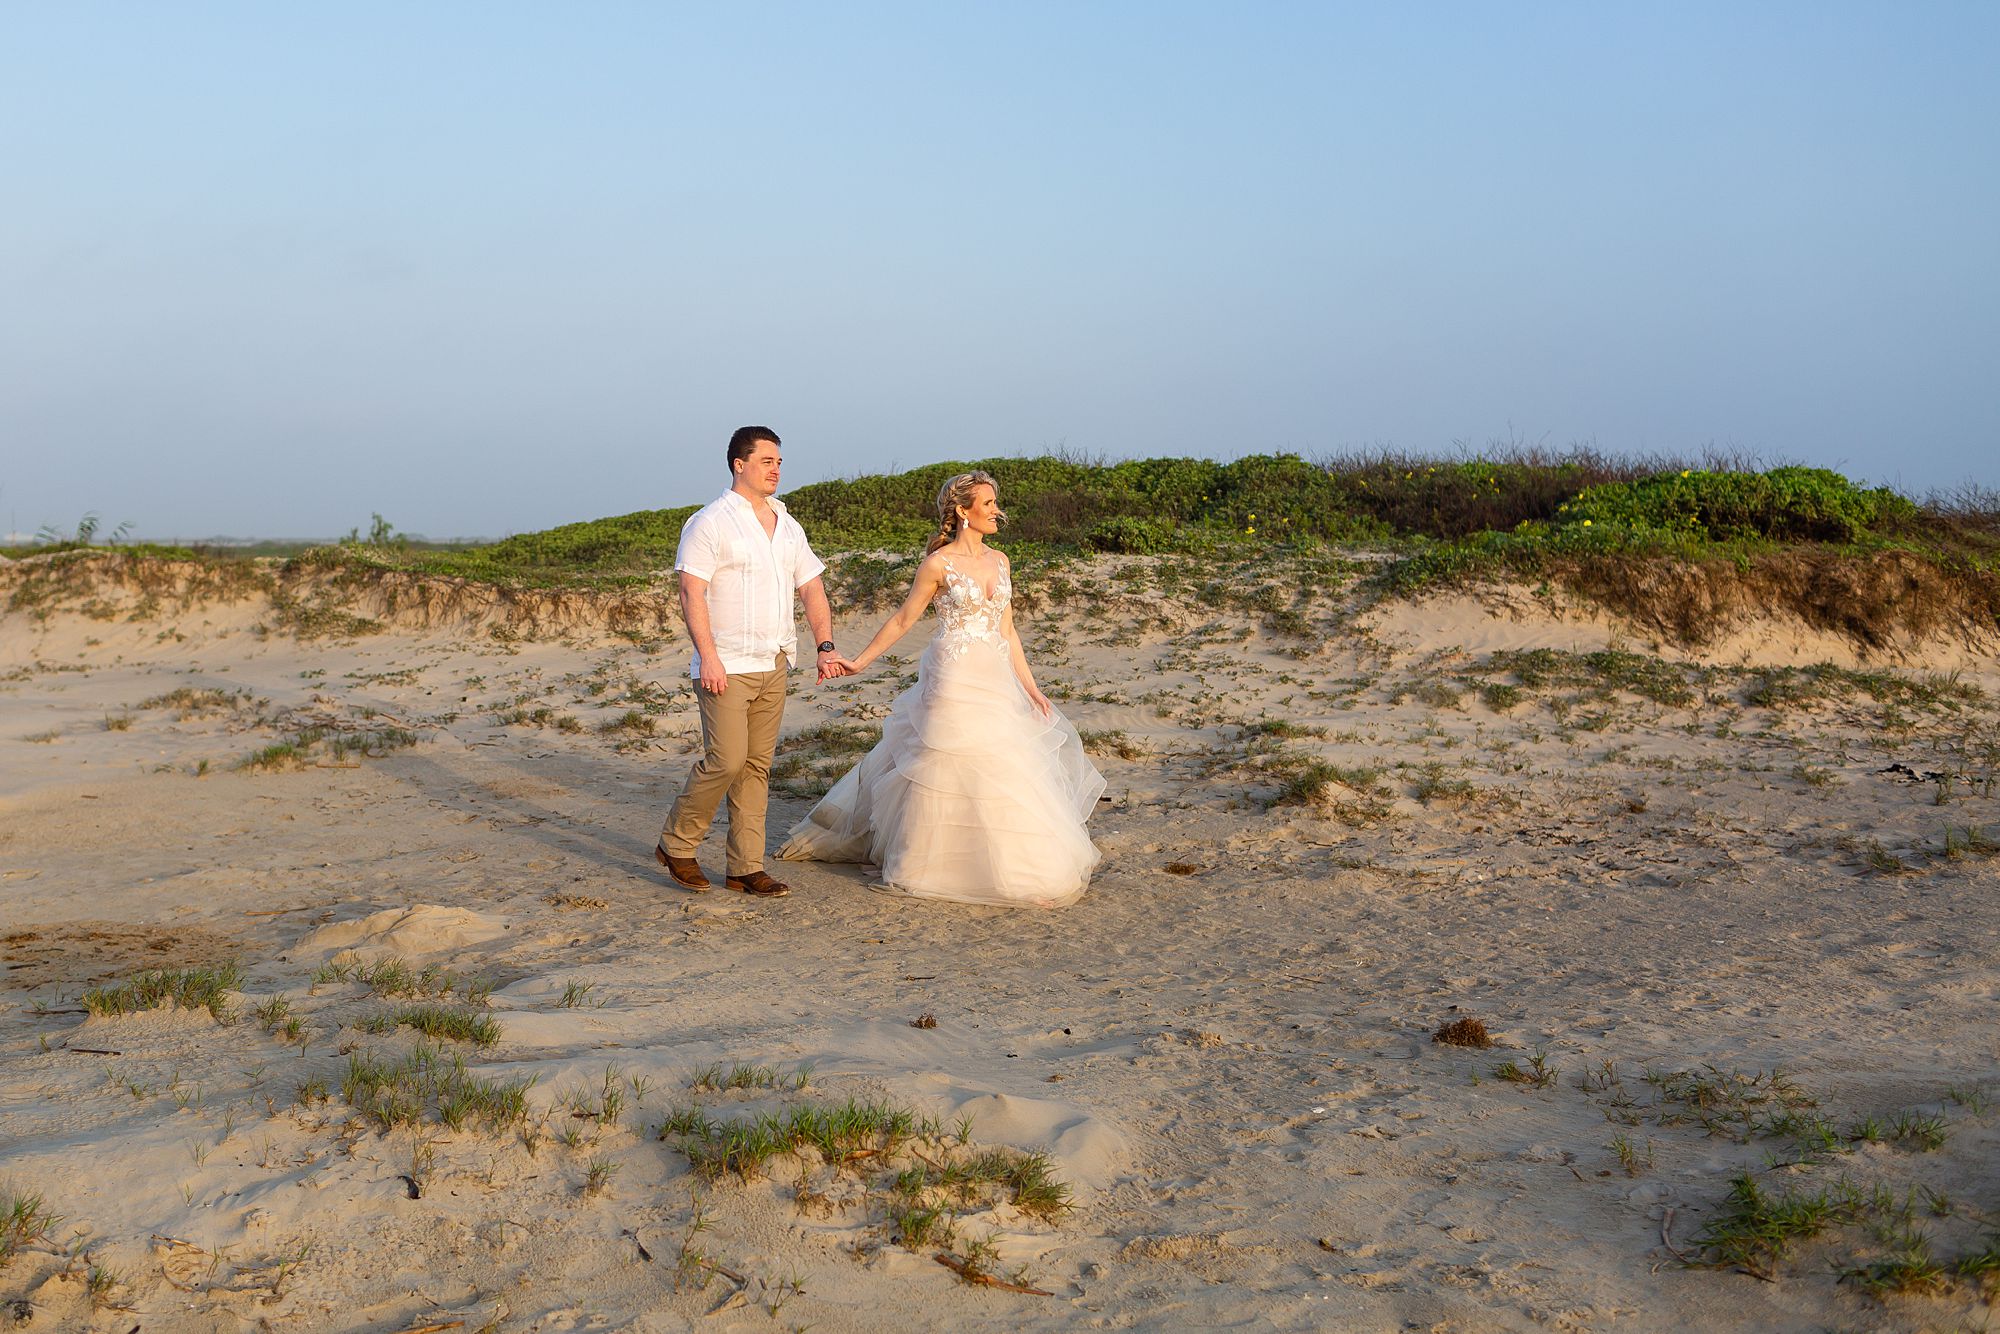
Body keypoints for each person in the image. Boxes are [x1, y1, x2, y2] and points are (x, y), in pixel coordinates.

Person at [779, 471, 1104, 907]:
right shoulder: (938, 564)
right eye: (986, 504)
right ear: (962, 511)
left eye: (994, 502)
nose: (996, 511)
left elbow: (1008, 631)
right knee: (944, 765)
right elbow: (902, 620)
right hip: (952, 675)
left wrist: (1032, 688)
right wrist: (859, 661)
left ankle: (1013, 866)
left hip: (995, 677)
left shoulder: (1001, 560)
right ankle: (927, 864)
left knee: (1002, 765)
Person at [655, 426, 848, 898]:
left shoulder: (787, 523)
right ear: (739, 465)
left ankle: (745, 867)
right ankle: (676, 844)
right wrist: (709, 657)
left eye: (779, 461)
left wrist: (824, 646)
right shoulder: (710, 522)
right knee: (726, 759)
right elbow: (691, 591)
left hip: (774, 660)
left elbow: (812, 587)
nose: (776, 469)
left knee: (756, 766)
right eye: (766, 461)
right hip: (726, 664)